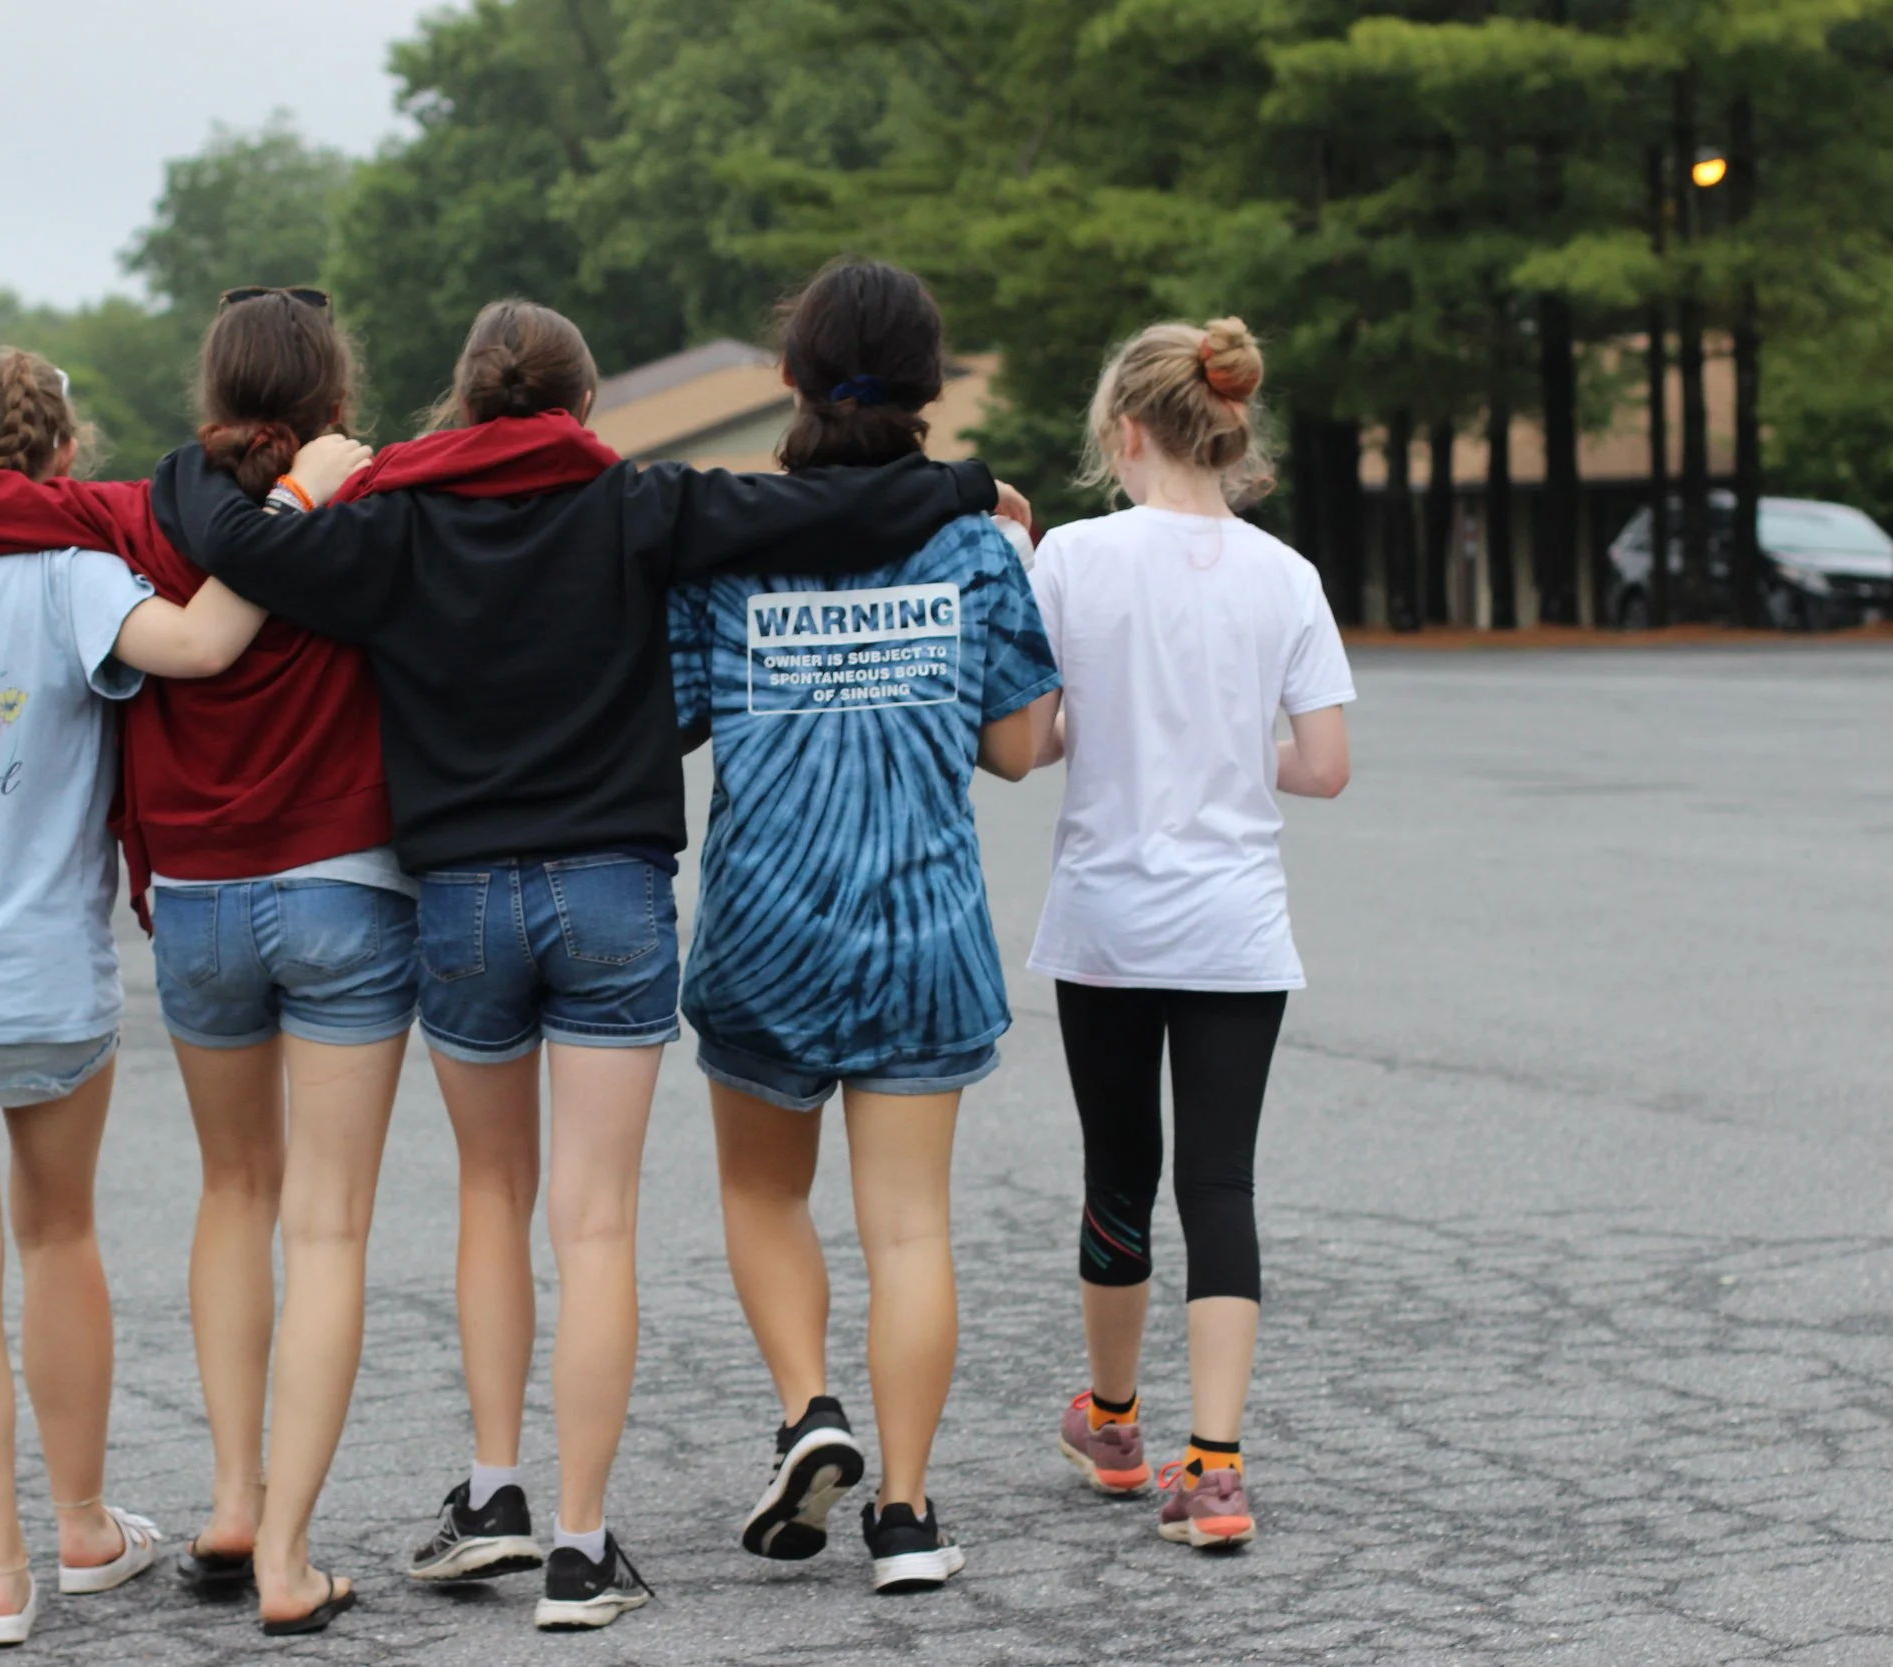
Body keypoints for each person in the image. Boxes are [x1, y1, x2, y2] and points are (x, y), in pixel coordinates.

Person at [148, 297, 1031, 1631]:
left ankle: (494, 1487)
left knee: (491, 1196)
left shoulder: (394, 519)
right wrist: (964, 483)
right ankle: (578, 1545)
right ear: (584, 401)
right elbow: (831, 513)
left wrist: (192, 468)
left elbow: (245, 552)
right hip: (614, 888)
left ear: (463, 396)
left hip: (460, 897)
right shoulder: (642, 505)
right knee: (597, 1221)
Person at [0, 289, 394, 1637]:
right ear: (336, 399)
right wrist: (312, 494)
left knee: (189, 1200)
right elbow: (219, 634)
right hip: (304, 889)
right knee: (288, 1223)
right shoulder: (351, 499)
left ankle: (124, 1534)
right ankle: (232, 1543)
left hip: (125, 915)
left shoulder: (96, 530)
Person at [666, 259, 1061, 1595]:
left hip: (766, 924)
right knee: (908, 1226)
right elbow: (1017, 747)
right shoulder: (976, 545)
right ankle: (903, 1512)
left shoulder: (726, 543)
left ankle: (807, 1409)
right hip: (920, 927)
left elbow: (671, 714)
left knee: (763, 1190)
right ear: (931, 388)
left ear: (789, 377)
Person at [1030, 317, 1354, 1552]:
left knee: (1117, 1171)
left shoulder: (1072, 558)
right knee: (1220, 1181)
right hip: (1234, 925)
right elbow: (1323, 765)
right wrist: (1227, 748)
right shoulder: (1287, 575)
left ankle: (1114, 1422)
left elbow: (1034, 740)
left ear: (1125, 431)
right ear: (1227, 425)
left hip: (1107, 921)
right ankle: (1215, 1467)